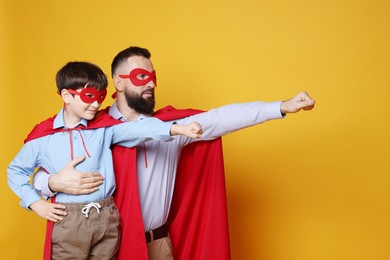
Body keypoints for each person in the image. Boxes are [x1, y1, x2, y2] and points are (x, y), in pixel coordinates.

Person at [34, 46, 315, 260]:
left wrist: (280, 107)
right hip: (110, 247)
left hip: (157, 245)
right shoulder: (94, 129)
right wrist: (52, 183)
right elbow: (38, 171)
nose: (151, 84)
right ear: (118, 83)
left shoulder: (172, 128)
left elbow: (220, 118)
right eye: (141, 77)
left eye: (153, 77)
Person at [7, 61, 203, 260]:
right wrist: (35, 203)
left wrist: (178, 129)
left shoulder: (104, 128)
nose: (96, 104)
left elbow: (140, 128)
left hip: (107, 216)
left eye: (100, 97)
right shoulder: (42, 137)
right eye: (89, 96)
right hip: (70, 221)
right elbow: (15, 171)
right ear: (66, 95)